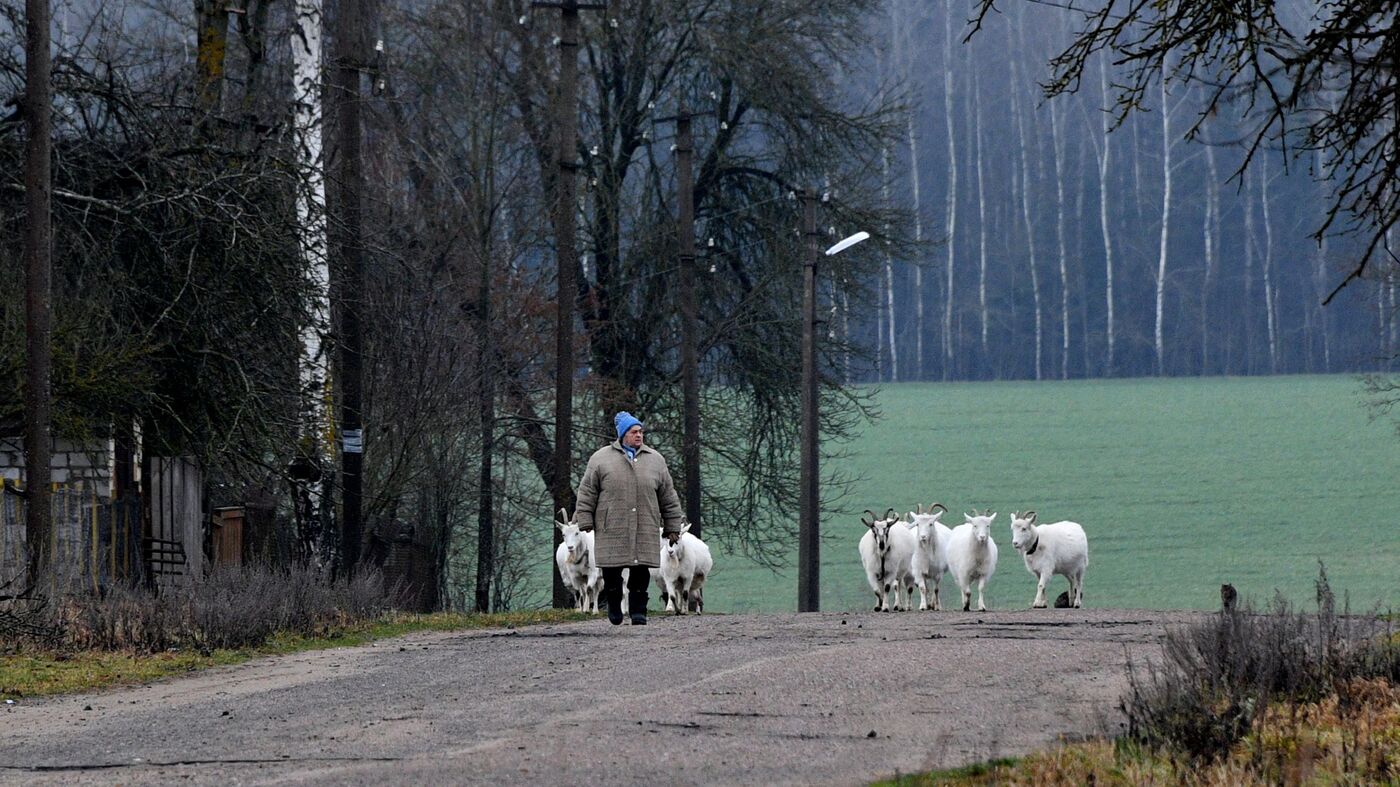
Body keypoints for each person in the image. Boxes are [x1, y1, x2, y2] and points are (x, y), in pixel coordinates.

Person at [574, 412, 684, 625]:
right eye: (634, 432)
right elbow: (587, 491)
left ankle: (638, 610)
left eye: (641, 432)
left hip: (645, 524)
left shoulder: (656, 460)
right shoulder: (600, 459)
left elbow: (668, 496)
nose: (639, 435)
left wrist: (673, 526)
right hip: (612, 525)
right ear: (623, 434)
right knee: (612, 572)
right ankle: (614, 603)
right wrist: (584, 519)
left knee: (641, 571)